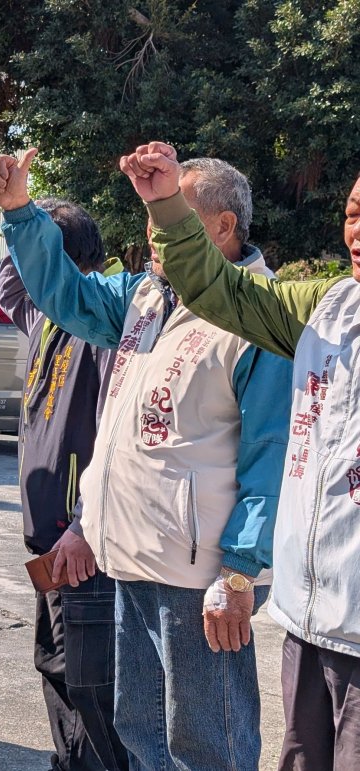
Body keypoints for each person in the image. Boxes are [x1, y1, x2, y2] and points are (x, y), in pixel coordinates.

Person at [0, 149, 292, 770]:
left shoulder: (260, 311)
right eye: (151, 215)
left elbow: (272, 453)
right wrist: (20, 212)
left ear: (224, 227)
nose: (154, 232)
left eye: (172, 212)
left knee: (206, 741)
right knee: (140, 729)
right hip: (130, 554)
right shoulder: (146, 297)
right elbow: (62, 292)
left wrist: (239, 571)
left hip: (200, 572)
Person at [124, 141, 360, 770]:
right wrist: (169, 205)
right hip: (312, 615)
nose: (359, 232)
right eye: (355, 213)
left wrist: (234, 569)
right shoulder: (327, 307)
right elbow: (220, 293)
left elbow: (265, 447)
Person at [0, 200, 128, 771]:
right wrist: (16, 214)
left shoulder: (96, 325)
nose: (20, 273)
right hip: (46, 541)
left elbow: (112, 438)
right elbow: (9, 286)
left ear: (61, 263)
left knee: (93, 686)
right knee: (54, 668)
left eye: (33, 259)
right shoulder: (43, 317)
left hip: (83, 544)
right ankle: (67, 760)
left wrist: (84, 523)